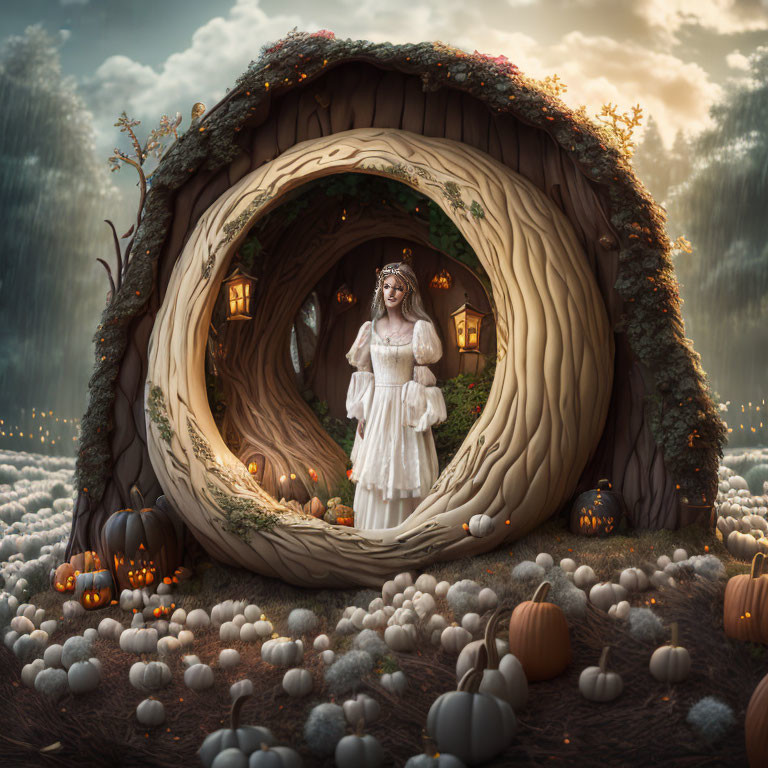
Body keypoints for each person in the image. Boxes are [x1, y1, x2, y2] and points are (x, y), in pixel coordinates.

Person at [345, 257, 447, 530]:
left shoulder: (419, 330)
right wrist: (363, 415)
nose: (390, 292)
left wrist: (418, 409)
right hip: (378, 408)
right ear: (380, 290)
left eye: (398, 288)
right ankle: (371, 533)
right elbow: (365, 373)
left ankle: (404, 533)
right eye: (386, 286)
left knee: (403, 467)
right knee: (377, 470)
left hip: (404, 408)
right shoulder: (370, 330)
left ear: (407, 294)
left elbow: (422, 377)